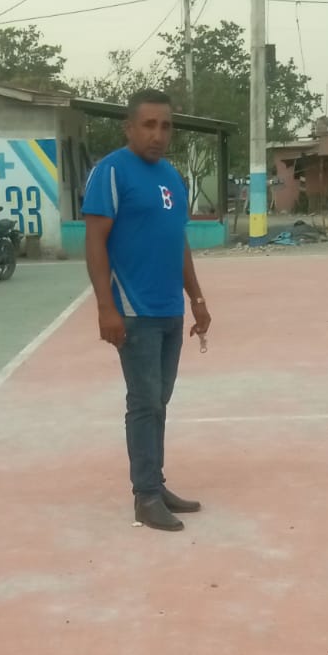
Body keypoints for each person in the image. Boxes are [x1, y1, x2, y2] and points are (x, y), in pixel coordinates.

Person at [83, 89, 212, 533]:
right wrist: (106, 307)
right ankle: (146, 496)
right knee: (144, 403)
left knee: (159, 402)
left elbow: (179, 242)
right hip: (133, 311)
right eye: (149, 125)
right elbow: (95, 241)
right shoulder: (111, 172)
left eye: (166, 126)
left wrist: (197, 299)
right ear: (130, 128)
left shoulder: (172, 177)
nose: (158, 135)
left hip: (170, 309)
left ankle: (156, 484)